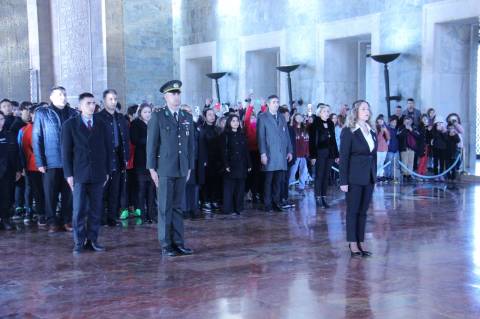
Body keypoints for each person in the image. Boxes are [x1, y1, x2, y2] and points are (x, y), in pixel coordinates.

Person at [146, 80, 195, 257]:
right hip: (165, 169)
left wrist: (190, 166)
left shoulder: (186, 117)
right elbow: (151, 145)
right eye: (173, 94)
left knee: (177, 207)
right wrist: (152, 169)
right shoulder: (158, 116)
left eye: (178, 93)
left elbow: (190, 145)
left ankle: (179, 242)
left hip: (182, 168)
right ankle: (166, 244)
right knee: (165, 207)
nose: (176, 96)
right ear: (165, 97)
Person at [62, 92, 111, 255]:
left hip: (98, 173)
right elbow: (66, 152)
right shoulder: (70, 125)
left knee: (96, 209)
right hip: (79, 174)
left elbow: (108, 148)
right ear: (81, 106)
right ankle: (78, 241)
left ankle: (93, 240)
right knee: (79, 210)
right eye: (89, 103)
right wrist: (68, 174)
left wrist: (107, 171)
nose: (92, 106)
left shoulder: (102, 123)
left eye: (94, 103)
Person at [33, 86, 77, 232]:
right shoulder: (42, 113)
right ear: (51, 97)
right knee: (50, 193)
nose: (63, 97)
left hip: (70, 161)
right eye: (59, 95)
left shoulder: (73, 113)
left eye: (64, 94)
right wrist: (40, 162)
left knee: (68, 193)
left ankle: (67, 220)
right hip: (50, 161)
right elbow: (37, 138)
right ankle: (52, 221)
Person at [339, 100, 377, 257]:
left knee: (363, 211)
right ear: (355, 112)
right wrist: (343, 181)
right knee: (353, 211)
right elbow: (344, 157)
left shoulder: (371, 130)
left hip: (368, 177)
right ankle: (352, 243)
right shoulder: (349, 131)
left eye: (368, 109)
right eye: (363, 109)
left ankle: (361, 241)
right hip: (353, 177)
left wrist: (375, 174)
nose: (366, 111)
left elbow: (372, 155)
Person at [97, 89, 130, 226]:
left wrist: (126, 156)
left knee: (115, 189)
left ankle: (112, 217)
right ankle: (100, 218)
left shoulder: (120, 117)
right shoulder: (98, 118)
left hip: (119, 156)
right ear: (104, 100)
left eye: (115, 98)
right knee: (102, 190)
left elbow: (126, 138)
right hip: (104, 158)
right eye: (110, 99)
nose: (113, 101)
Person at [256, 95, 293, 213]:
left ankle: (276, 202)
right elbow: (261, 137)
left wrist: (290, 150)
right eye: (274, 102)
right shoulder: (263, 117)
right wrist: (263, 153)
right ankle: (267, 204)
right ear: (268, 104)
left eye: (277, 102)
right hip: (270, 154)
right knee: (268, 181)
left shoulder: (282, 117)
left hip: (281, 154)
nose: (276, 104)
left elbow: (286, 134)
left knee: (278, 180)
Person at [220, 114, 251, 215]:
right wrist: (226, 165)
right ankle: (228, 209)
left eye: (237, 121)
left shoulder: (242, 134)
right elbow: (223, 151)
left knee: (240, 188)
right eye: (233, 121)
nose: (236, 123)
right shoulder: (225, 135)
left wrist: (249, 164)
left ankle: (239, 208)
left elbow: (246, 151)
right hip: (231, 165)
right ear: (229, 122)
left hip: (241, 165)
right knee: (229, 188)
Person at [130, 104, 156, 223]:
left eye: (149, 112)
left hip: (153, 161)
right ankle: (142, 214)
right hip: (141, 161)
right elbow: (134, 139)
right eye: (145, 112)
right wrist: (149, 139)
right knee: (141, 189)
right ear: (140, 113)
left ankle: (151, 214)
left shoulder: (153, 123)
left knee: (151, 189)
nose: (147, 114)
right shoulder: (136, 124)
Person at [309, 104, 339, 208]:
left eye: (328, 111)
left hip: (330, 153)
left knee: (326, 176)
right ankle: (317, 198)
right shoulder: (315, 123)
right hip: (320, 153)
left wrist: (336, 154)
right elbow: (312, 142)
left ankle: (324, 197)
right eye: (325, 111)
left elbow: (333, 139)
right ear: (320, 112)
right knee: (319, 176)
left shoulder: (330, 123)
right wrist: (313, 156)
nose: (327, 113)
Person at [198, 108, 222, 212]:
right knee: (206, 181)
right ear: (205, 116)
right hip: (206, 159)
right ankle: (205, 201)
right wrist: (204, 160)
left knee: (216, 180)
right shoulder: (202, 129)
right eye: (209, 114)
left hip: (216, 159)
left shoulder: (218, 129)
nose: (212, 116)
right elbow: (201, 146)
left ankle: (214, 199)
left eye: (213, 114)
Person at [0, 111, 21, 230]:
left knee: (7, 196)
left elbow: (17, 154)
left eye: (1, 119)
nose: (0, 122)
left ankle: (5, 219)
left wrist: (18, 170)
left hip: (8, 171)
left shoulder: (10, 135)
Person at [289, 113, 310, 195]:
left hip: (304, 154)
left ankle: (301, 187)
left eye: (300, 117)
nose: (299, 118)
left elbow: (307, 142)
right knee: (292, 171)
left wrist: (307, 152)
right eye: (297, 117)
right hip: (295, 154)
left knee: (304, 171)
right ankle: (289, 186)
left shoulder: (305, 128)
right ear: (294, 118)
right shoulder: (292, 128)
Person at [398, 116, 420, 182]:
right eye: (406, 121)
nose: (407, 122)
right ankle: (405, 175)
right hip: (404, 148)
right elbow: (400, 136)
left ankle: (409, 174)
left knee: (411, 162)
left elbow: (417, 136)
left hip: (412, 148)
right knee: (404, 162)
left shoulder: (414, 128)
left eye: (409, 121)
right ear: (404, 122)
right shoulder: (400, 128)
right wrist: (405, 129)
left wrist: (411, 130)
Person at [384, 116, 400, 182]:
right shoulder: (387, 129)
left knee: (395, 165)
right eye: (393, 122)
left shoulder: (397, 130)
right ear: (390, 122)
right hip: (389, 150)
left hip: (396, 150)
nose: (394, 123)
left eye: (395, 122)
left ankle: (394, 176)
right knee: (388, 164)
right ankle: (387, 176)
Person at [375, 114, 390, 182]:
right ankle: (376, 176)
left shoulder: (385, 127)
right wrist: (381, 131)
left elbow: (388, 137)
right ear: (377, 121)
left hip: (384, 148)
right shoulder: (375, 128)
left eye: (382, 120)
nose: (381, 121)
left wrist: (385, 130)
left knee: (382, 163)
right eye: (380, 120)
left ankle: (381, 176)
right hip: (378, 148)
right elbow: (377, 139)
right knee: (377, 163)